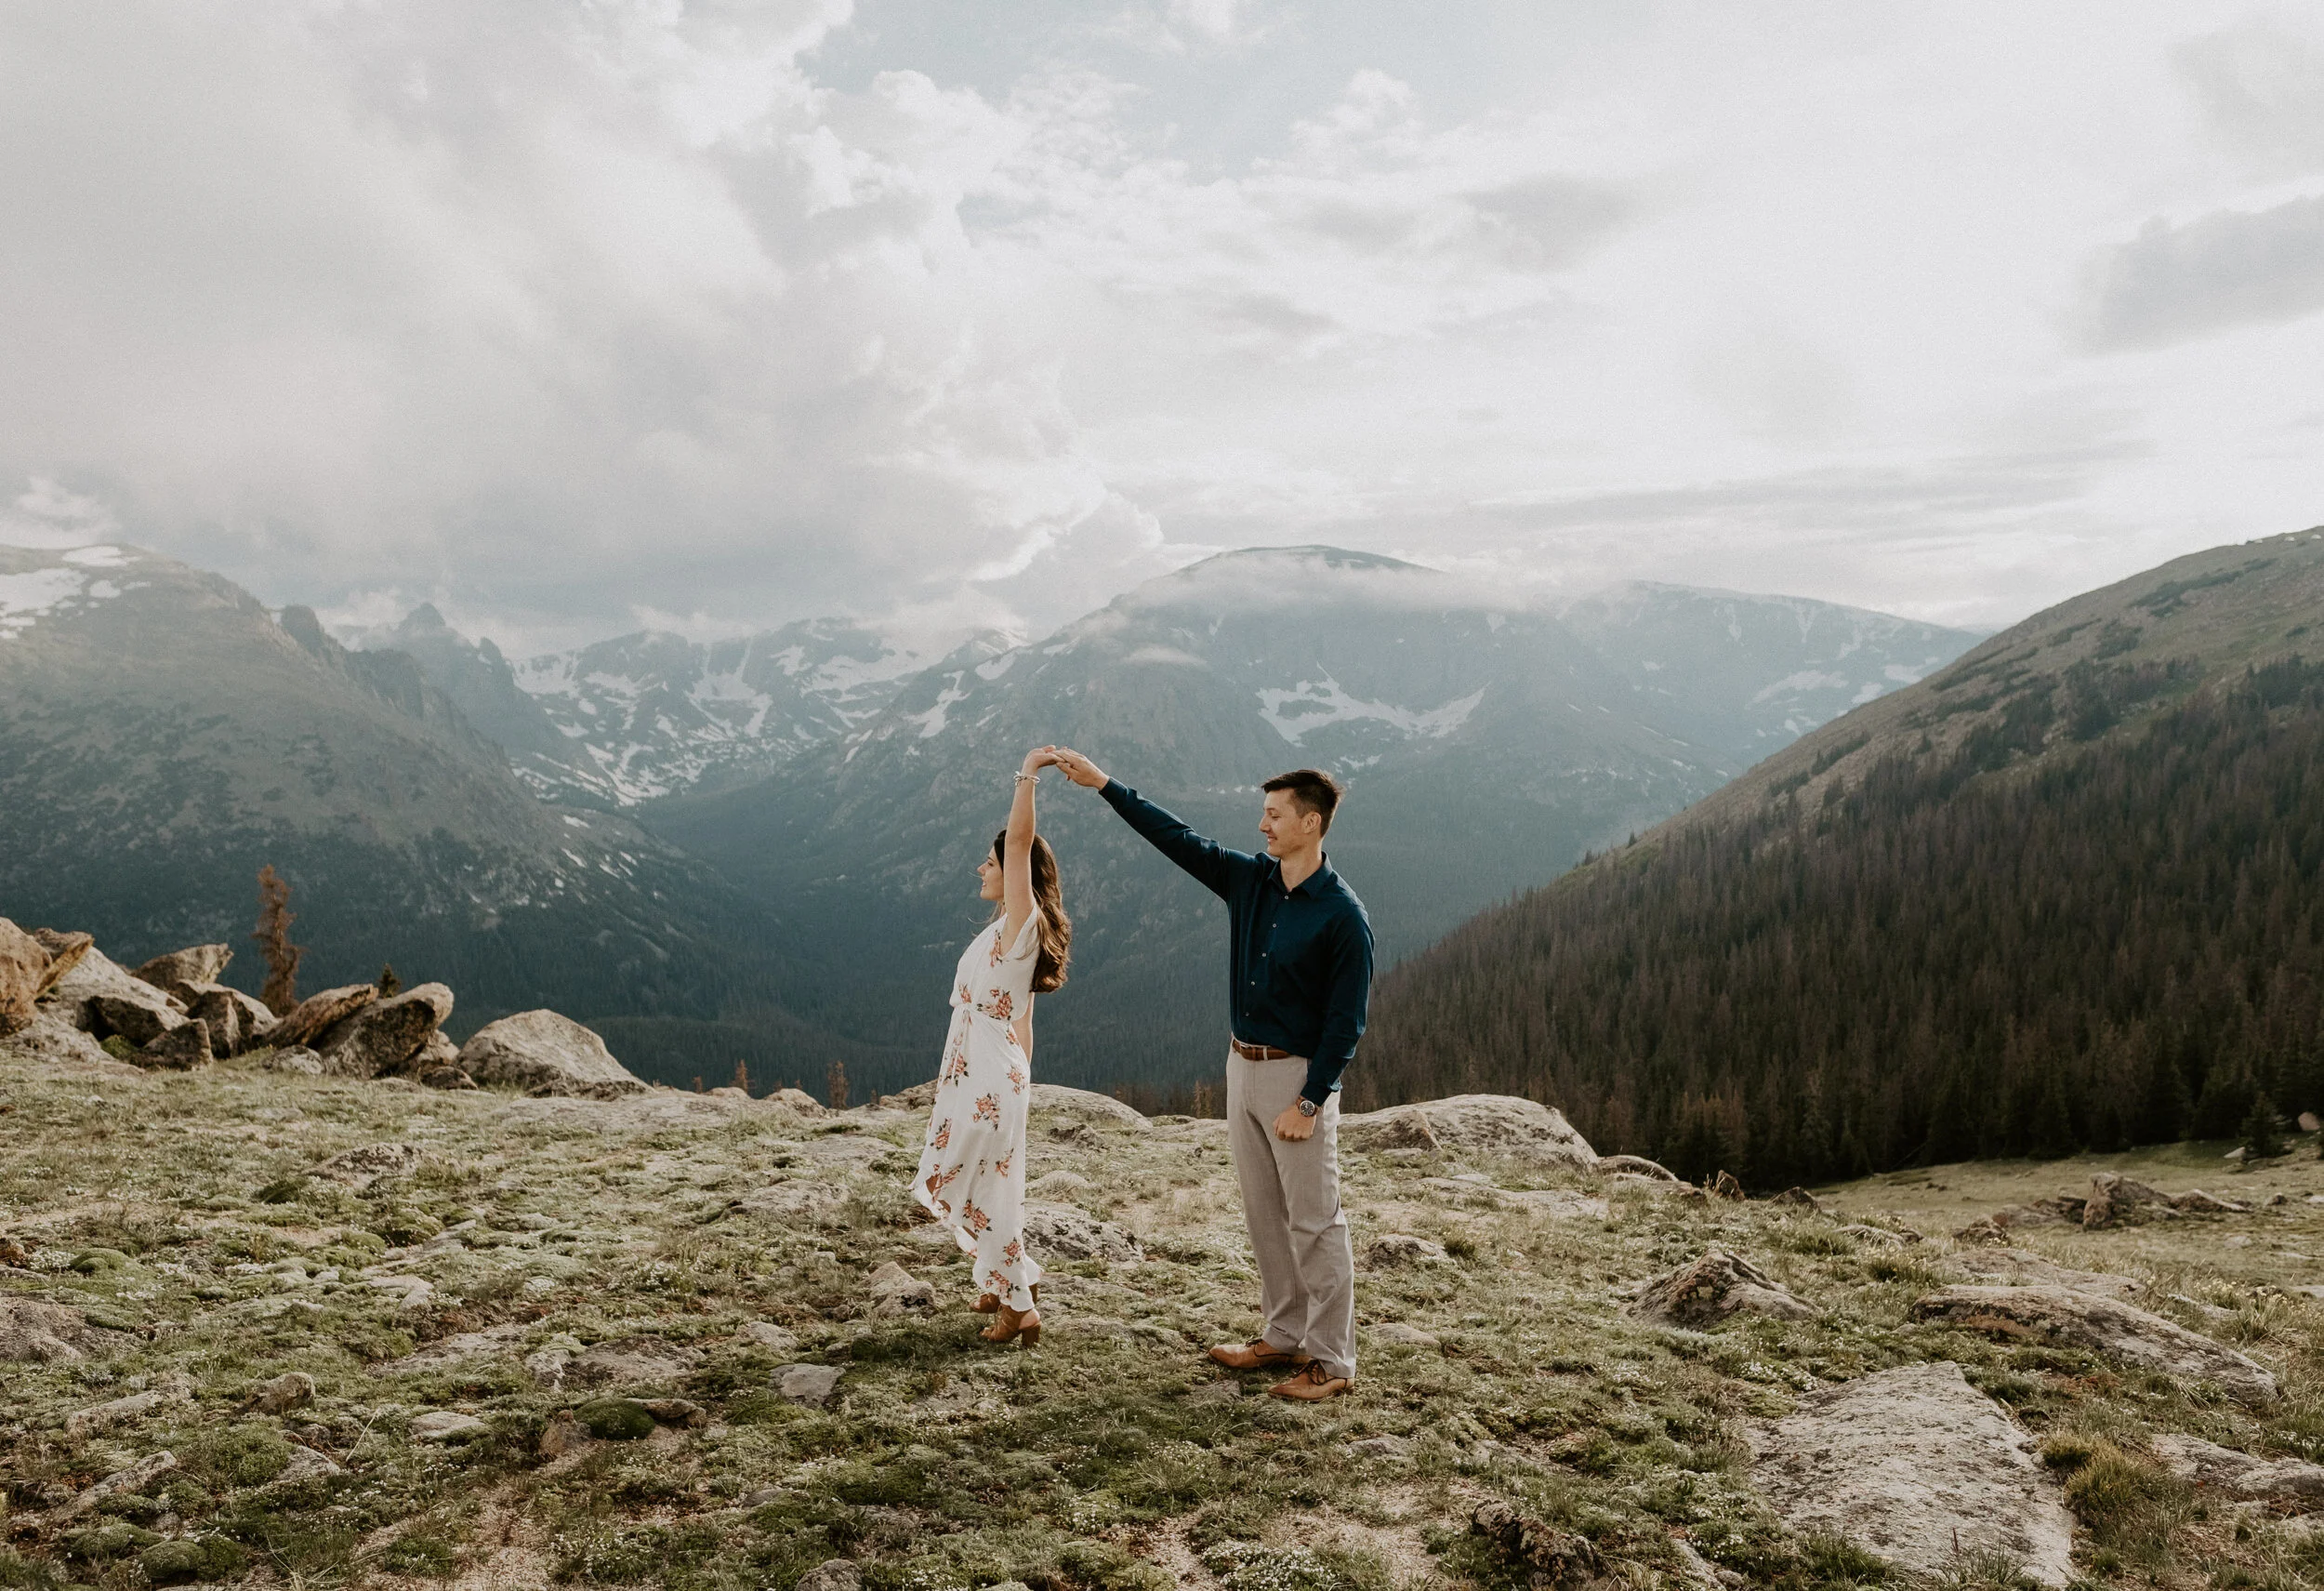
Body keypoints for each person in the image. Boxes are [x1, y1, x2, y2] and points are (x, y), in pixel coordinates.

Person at [1050, 749, 1371, 1401]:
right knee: (1263, 1214)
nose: (1263, 825)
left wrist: (1309, 1102)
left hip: (1295, 1079)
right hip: (1241, 1066)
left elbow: (1347, 1023)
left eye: (1275, 814)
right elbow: (1178, 839)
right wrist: (1105, 784)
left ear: (1311, 823)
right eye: (1264, 813)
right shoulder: (1250, 880)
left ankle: (1333, 1362)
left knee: (1314, 1221)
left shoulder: (1343, 916)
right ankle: (1283, 1335)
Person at [911, 746, 1074, 1348]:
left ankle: (1018, 1307)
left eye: (990, 862)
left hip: (987, 1080)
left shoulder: (1020, 922)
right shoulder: (1006, 934)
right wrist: (1022, 1082)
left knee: (978, 1183)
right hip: (994, 1074)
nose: (982, 869)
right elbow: (1023, 1020)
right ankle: (1000, 1277)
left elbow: (1020, 843)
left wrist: (1028, 771)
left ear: (1014, 873)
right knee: (987, 1183)